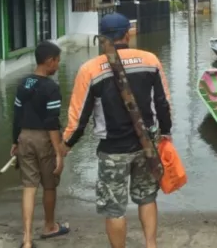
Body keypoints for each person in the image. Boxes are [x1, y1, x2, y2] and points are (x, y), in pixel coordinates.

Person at [61, 13, 172, 248]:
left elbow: (78, 117)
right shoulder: (150, 60)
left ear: (102, 39)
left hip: (112, 150)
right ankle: (151, 245)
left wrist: (66, 145)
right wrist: (166, 133)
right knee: (147, 198)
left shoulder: (90, 69)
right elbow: (163, 103)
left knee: (114, 209)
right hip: (146, 146)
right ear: (128, 34)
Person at [11, 41, 70, 248]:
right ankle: (49, 226)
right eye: (57, 61)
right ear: (49, 61)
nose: (58, 65)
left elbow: (17, 114)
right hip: (44, 139)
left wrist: (14, 140)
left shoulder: (23, 83)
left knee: (28, 186)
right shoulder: (51, 88)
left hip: (24, 137)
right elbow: (51, 122)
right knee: (50, 184)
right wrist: (59, 152)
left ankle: (27, 239)